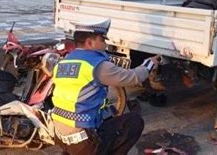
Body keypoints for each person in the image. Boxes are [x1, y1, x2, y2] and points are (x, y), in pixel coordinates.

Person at [52, 18, 160, 155]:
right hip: (83, 141)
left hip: (60, 136)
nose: (105, 43)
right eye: (102, 40)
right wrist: (149, 64)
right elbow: (134, 77)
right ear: (89, 42)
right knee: (134, 122)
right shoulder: (97, 65)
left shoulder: (63, 62)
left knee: (107, 114)